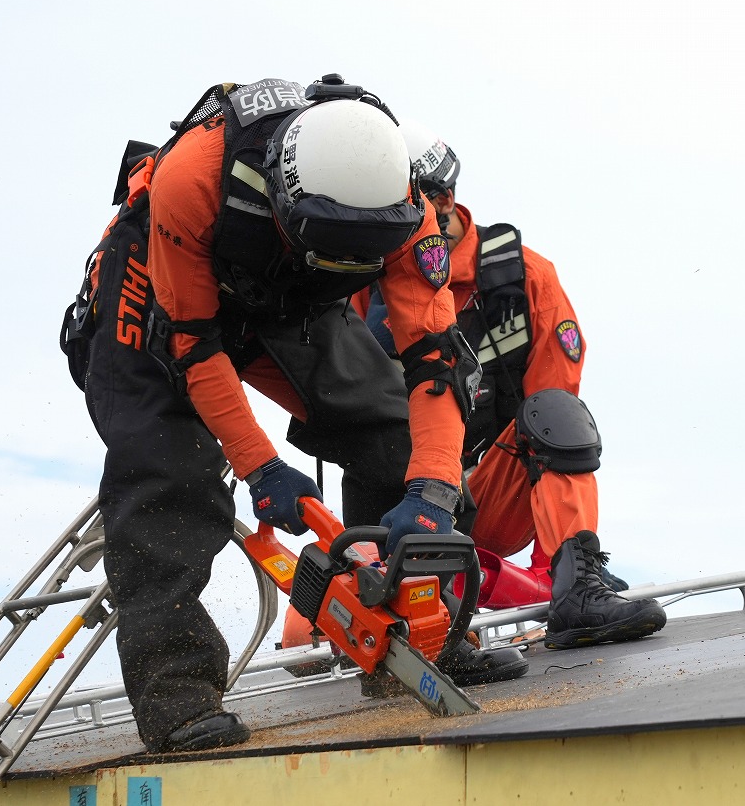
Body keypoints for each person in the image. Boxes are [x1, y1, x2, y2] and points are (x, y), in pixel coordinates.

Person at [67, 76, 526, 755]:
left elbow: (435, 362)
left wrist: (432, 487)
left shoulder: (408, 209)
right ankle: (180, 694)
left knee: (393, 432)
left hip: (284, 299)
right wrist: (259, 467)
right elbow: (195, 345)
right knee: (168, 466)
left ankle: (418, 632)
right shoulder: (191, 181)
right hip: (167, 290)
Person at [355, 119, 668, 651]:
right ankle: (425, 591)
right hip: (401, 506)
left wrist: (556, 569)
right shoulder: (365, 288)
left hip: (486, 492)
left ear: (445, 197)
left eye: (405, 206)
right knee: (302, 638)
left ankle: (578, 591)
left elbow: (556, 417)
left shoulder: (525, 277)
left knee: (555, 411)